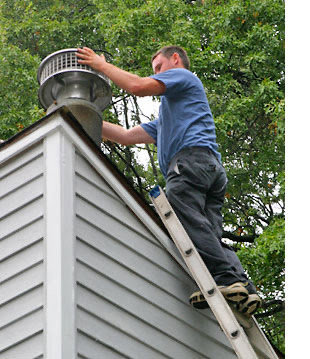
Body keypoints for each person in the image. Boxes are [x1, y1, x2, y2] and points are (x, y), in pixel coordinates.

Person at [76, 46, 261, 316]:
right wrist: (80, 114)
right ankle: (241, 284)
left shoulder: (184, 77)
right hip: (209, 170)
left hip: (190, 164)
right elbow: (126, 136)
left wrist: (100, 65)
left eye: (159, 68)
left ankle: (225, 279)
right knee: (207, 235)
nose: (158, 75)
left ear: (175, 59)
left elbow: (138, 87)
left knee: (183, 219)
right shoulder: (170, 117)